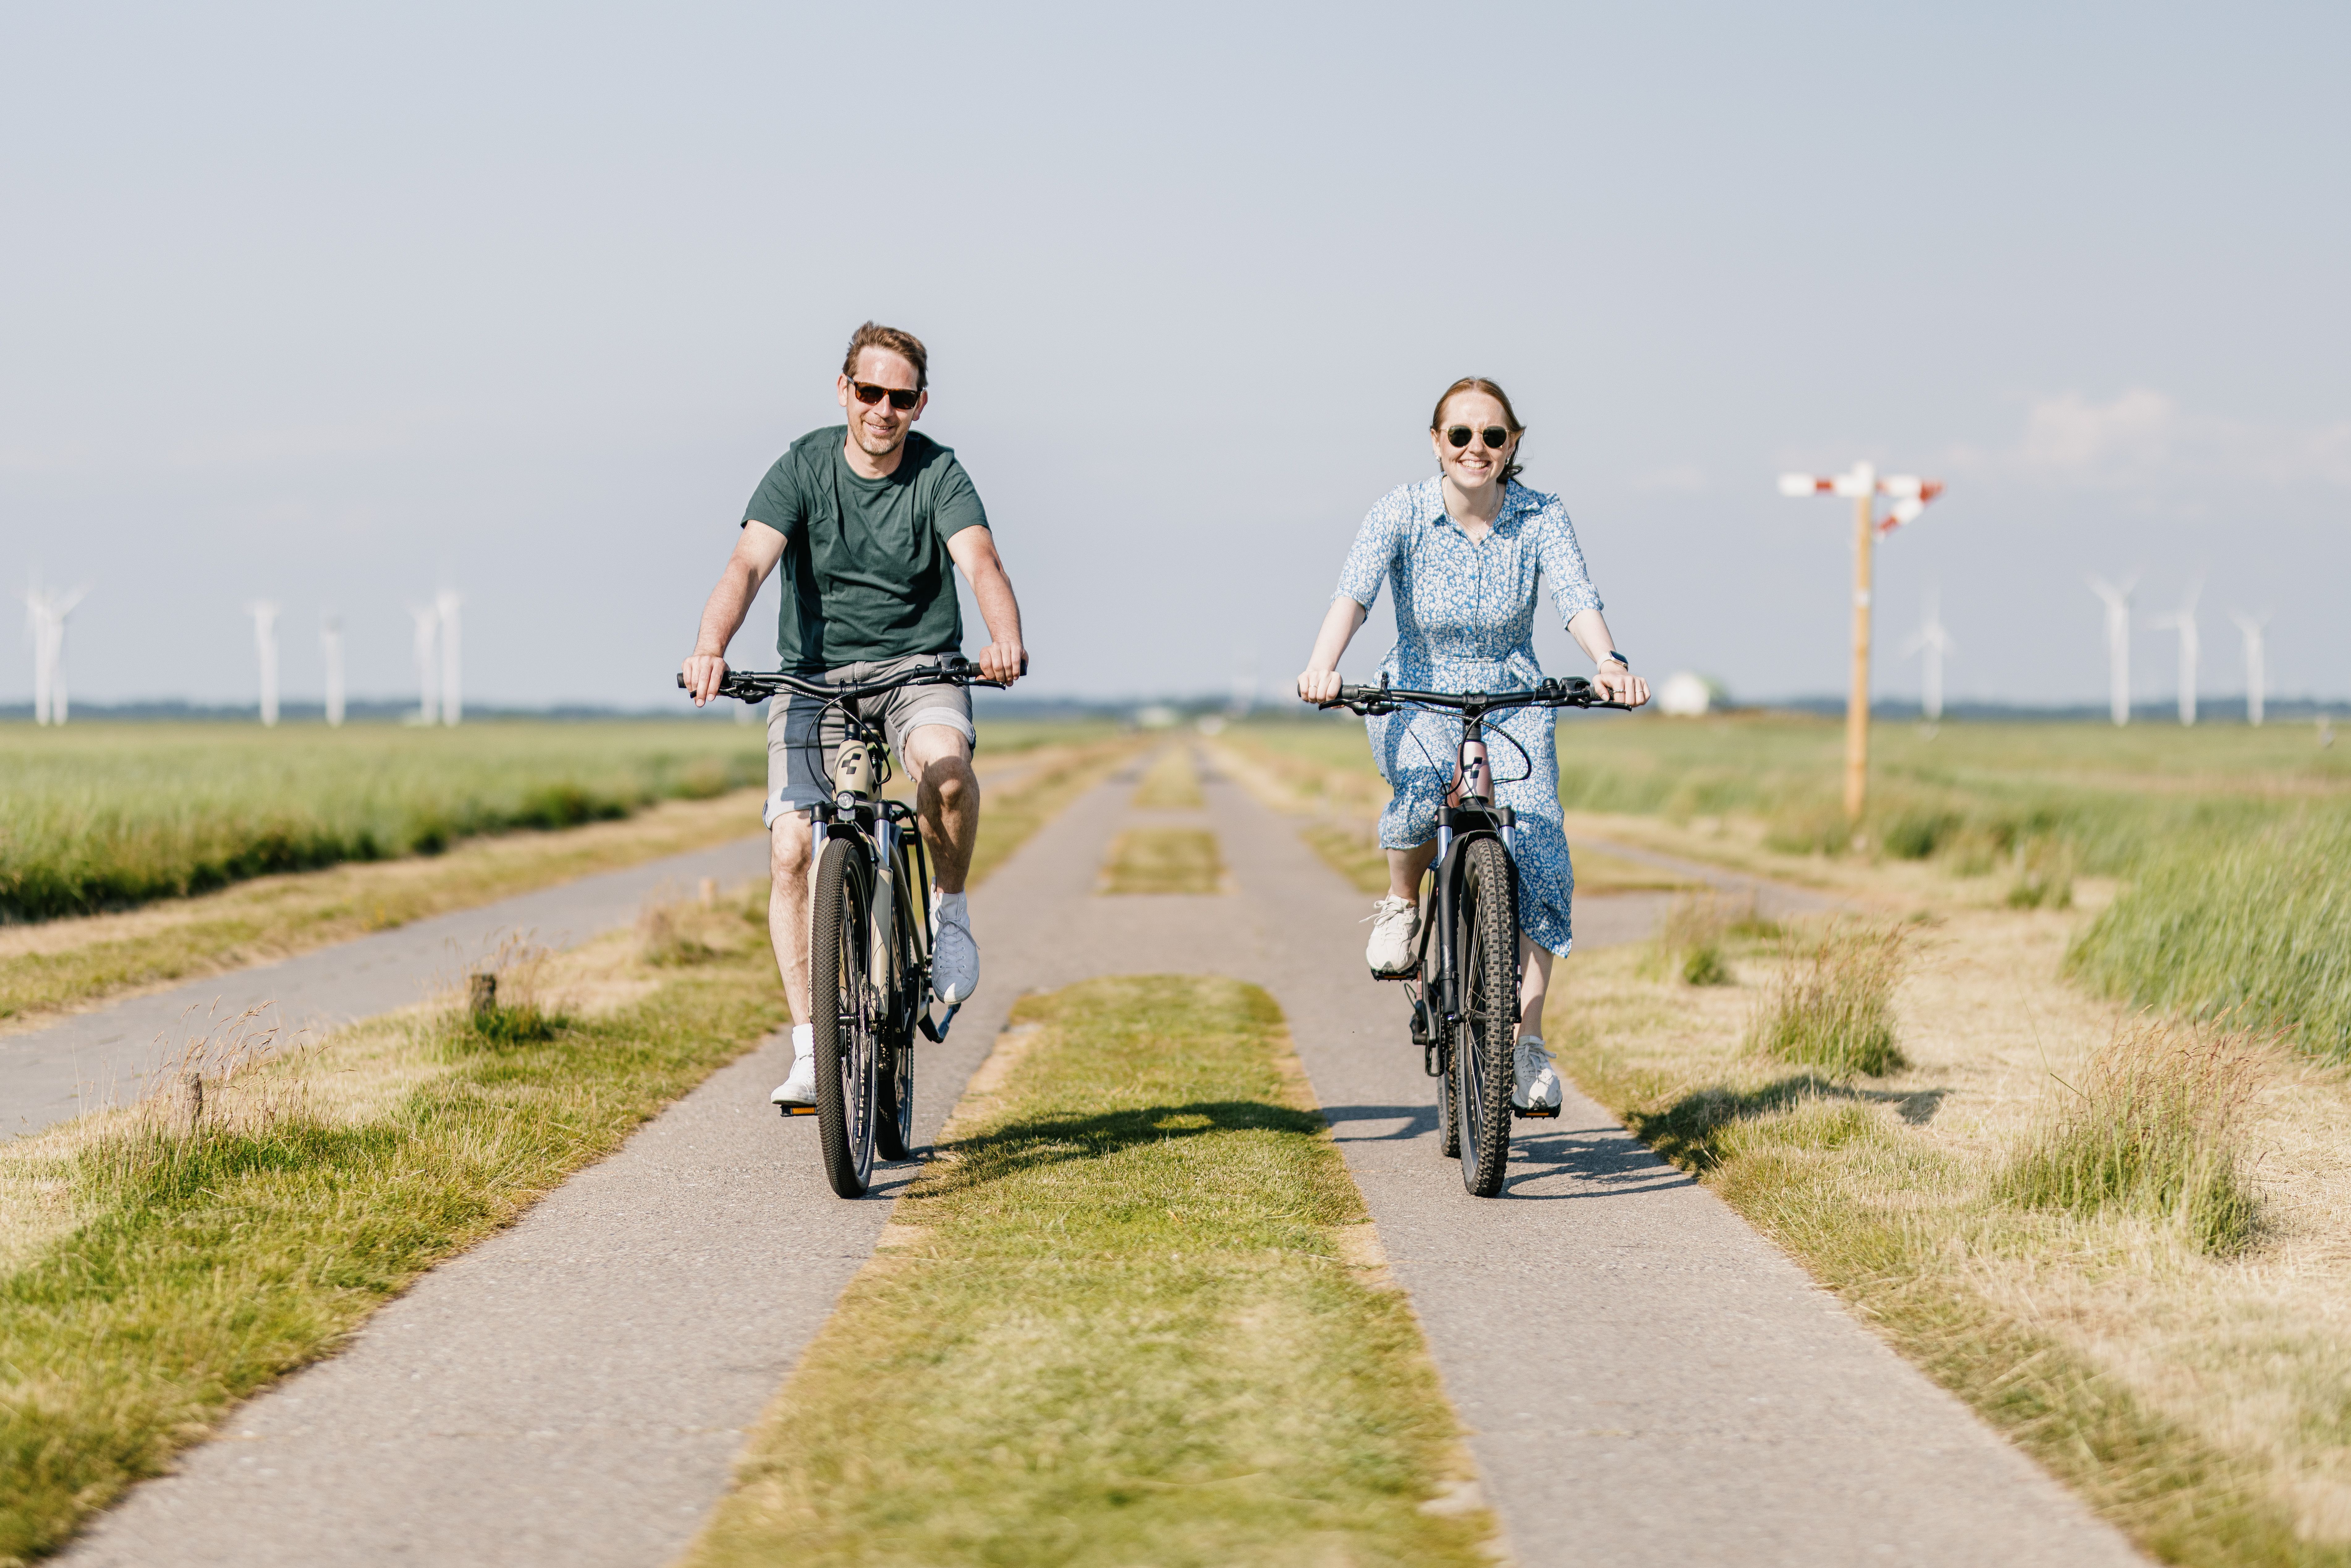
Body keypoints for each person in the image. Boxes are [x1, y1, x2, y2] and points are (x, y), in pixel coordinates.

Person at [682, 322, 1027, 1109]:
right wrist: (710, 646)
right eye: (868, 392)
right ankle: (812, 1049)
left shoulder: (940, 473)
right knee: (794, 848)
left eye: (899, 398)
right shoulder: (802, 466)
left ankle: (950, 912)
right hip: (813, 679)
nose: (882, 410)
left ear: (919, 404)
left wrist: (1005, 639)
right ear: (844, 390)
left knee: (945, 773)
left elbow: (981, 560)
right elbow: (748, 561)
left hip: (919, 668)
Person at [1296, 376, 1649, 1117]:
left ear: (1514, 442)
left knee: (1542, 845)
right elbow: (1354, 594)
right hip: (1418, 690)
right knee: (1421, 797)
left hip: (1514, 693)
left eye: (1492, 436)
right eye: (1461, 435)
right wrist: (1324, 664)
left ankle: (1526, 1044)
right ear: (1437, 442)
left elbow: (1577, 598)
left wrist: (1608, 662)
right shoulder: (1402, 511)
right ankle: (1401, 903)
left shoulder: (1541, 516)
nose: (1476, 449)